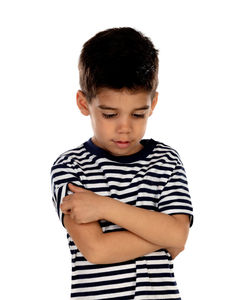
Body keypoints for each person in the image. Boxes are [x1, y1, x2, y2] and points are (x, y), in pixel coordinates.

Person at [51, 27, 193, 300]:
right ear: (84, 103)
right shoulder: (71, 166)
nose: (124, 128)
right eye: (110, 114)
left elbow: (179, 234)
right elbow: (97, 250)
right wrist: (163, 235)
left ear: (153, 104)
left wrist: (104, 206)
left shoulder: (165, 160)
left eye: (138, 114)